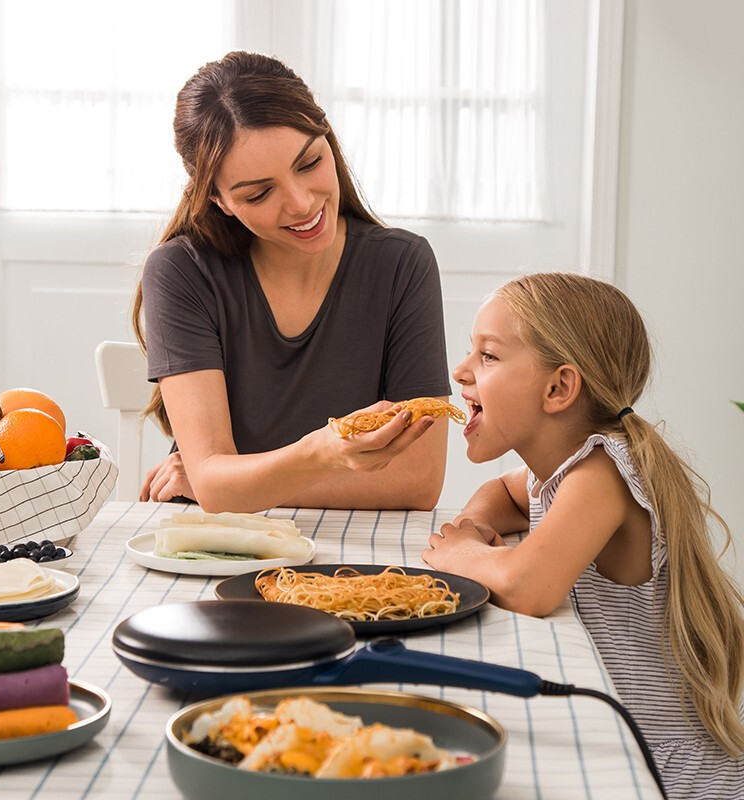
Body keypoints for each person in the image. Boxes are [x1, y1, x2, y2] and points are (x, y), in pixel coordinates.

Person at [422, 272, 744, 799]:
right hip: (624, 734)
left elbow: (529, 587)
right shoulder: (563, 470)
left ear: (558, 389)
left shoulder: (602, 475)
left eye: (488, 357)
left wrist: (462, 554)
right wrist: (478, 527)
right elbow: (502, 493)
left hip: (673, 771)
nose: (460, 371)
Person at [132, 51, 451, 512]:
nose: (302, 204)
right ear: (219, 200)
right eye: (259, 193)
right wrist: (321, 455)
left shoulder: (402, 264)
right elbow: (215, 484)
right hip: (216, 545)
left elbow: (418, 481)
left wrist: (236, 485)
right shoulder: (182, 272)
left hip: (351, 551)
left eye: (309, 163)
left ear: (327, 138)